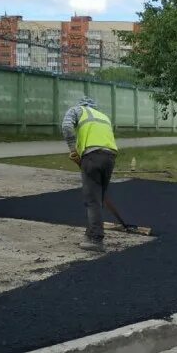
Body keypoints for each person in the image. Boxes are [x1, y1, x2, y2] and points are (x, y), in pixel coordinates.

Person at [62, 96, 118, 252]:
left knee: (92, 200)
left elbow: (66, 126)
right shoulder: (103, 116)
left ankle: (96, 239)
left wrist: (73, 149)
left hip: (92, 156)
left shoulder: (77, 110)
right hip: (110, 156)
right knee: (98, 198)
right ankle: (90, 233)